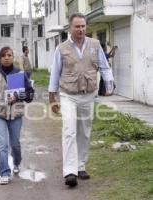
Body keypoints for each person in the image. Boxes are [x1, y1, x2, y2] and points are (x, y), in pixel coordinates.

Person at [48, 13, 115, 187]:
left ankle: (80, 166)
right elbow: (55, 72)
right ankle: (69, 172)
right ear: (70, 28)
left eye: (83, 26)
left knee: (84, 132)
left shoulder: (94, 45)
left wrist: (109, 84)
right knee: (69, 130)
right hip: (68, 95)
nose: (81, 29)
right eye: (77, 26)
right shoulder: (61, 49)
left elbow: (104, 66)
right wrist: (51, 96)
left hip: (88, 94)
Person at [0, 46, 34, 185]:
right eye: (4, 55)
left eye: (9, 55)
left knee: (15, 144)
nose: (7, 57)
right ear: (0, 58)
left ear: (13, 57)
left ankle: (16, 162)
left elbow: (30, 95)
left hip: (16, 115)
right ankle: (4, 172)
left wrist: (20, 96)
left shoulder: (20, 74)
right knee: (2, 145)